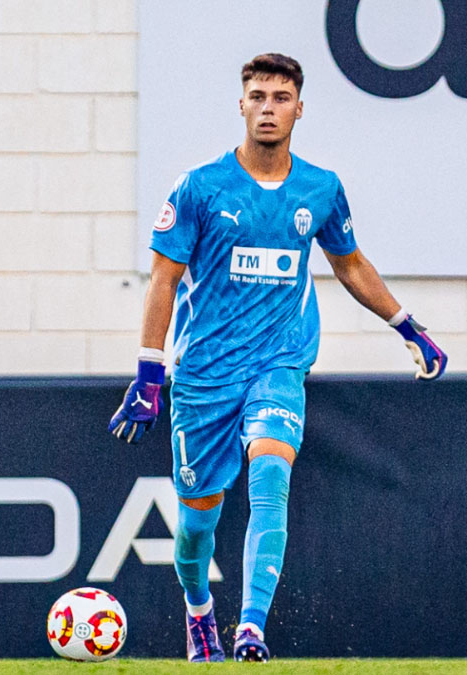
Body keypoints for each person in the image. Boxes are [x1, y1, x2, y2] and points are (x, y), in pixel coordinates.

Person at [108, 53, 447, 663]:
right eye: (258, 96)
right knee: (196, 531)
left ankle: (251, 629)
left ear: (298, 108)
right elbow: (162, 280)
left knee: (271, 477)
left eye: (281, 97)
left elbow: (349, 262)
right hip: (206, 375)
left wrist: (407, 326)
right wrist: (148, 373)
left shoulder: (320, 188)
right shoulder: (201, 187)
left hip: (280, 363)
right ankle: (199, 610)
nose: (269, 107)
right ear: (241, 105)